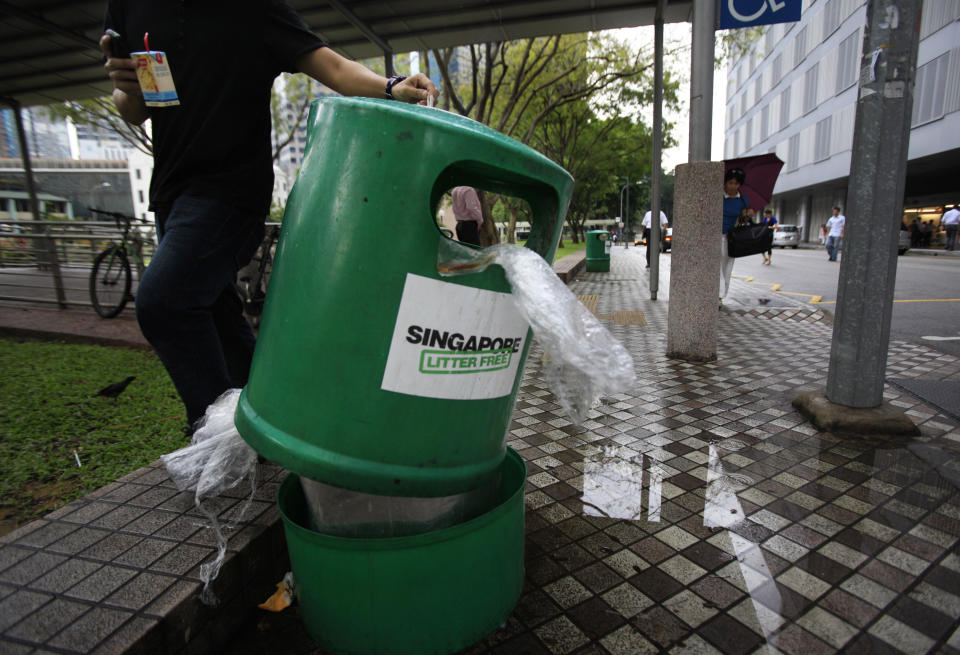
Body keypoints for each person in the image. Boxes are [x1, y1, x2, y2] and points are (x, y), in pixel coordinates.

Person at [101, 3, 438, 430]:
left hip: (230, 191)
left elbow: (329, 64)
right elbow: (134, 108)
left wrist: (392, 85)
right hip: (170, 190)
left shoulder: (254, 9)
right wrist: (127, 89)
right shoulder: (130, 7)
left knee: (164, 302)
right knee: (218, 314)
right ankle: (272, 417)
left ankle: (216, 437)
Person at [721, 168, 748, 306]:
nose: (733, 186)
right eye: (730, 182)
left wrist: (747, 215)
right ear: (725, 183)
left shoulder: (743, 200)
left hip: (732, 239)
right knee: (717, 267)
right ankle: (718, 296)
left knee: (728, 267)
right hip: (717, 237)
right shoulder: (719, 197)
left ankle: (722, 294)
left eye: (736, 183)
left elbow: (744, 221)